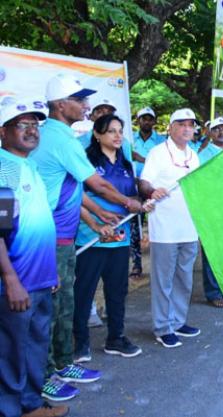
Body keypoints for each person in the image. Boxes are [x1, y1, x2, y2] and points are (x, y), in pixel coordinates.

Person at [32, 74, 143, 401]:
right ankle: (46, 375)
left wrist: (97, 219)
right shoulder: (61, 138)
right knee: (50, 310)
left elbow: (76, 191)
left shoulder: (59, 136)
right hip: (49, 238)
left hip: (64, 238)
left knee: (63, 305)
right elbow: (96, 183)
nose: (86, 105)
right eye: (79, 99)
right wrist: (126, 203)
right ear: (59, 104)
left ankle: (64, 363)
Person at [0, 100, 71, 417]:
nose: (31, 131)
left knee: (34, 348)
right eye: (21, 124)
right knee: (10, 353)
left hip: (41, 280)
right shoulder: (3, 170)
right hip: (16, 284)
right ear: (3, 132)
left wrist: (51, 272)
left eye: (35, 125)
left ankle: (30, 406)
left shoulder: (30, 166)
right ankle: (10, 410)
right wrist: (10, 280)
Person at [73, 115, 147, 364]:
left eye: (120, 131)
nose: (117, 136)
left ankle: (116, 337)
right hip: (90, 237)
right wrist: (96, 223)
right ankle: (79, 343)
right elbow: (76, 198)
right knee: (84, 291)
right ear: (97, 134)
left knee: (117, 291)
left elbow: (131, 196)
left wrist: (143, 201)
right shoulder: (85, 160)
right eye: (111, 131)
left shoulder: (126, 164)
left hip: (120, 237)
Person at [139, 108, 202, 348]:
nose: (187, 128)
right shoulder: (157, 153)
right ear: (171, 127)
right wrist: (151, 191)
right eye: (181, 124)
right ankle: (162, 327)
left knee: (184, 277)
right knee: (163, 279)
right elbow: (144, 181)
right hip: (164, 228)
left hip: (189, 226)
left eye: (191, 124)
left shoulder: (194, 156)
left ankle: (178, 321)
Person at [197, 117, 223, 307]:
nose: (221, 132)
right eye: (216, 129)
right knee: (212, 250)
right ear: (210, 133)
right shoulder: (202, 154)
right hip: (213, 208)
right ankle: (213, 292)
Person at [130, 106, 165, 281]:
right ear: (138, 121)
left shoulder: (162, 141)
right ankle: (136, 265)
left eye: (150, 118)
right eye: (143, 118)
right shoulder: (129, 139)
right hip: (134, 187)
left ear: (154, 121)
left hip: (154, 189)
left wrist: (140, 158)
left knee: (158, 225)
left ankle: (161, 265)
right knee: (135, 227)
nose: (147, 122)